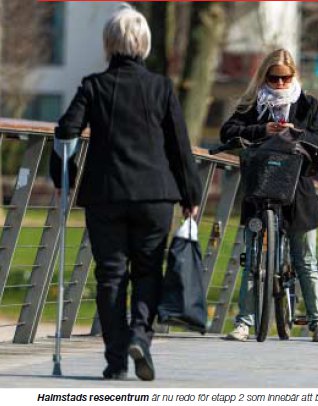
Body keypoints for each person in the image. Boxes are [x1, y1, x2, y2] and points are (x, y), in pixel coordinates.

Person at [50, 6, 202, 381]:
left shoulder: (93, 86)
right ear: (144, 43)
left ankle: (115, 360)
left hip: (106, 194)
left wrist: (63, 176)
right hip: (155, 194)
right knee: (148, 270)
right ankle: (140, 337)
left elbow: (66, 130)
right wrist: (191, 194)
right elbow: (179, 146)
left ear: (109, 43)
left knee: (110, 275)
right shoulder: (161, 87)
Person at [221, 49, 318, 343]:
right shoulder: (252, 103)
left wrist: (296, 133)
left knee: (305, 258)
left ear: (294, 75)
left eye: (286, 77)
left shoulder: (307, 103)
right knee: (253, 259)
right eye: (273, 78)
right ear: (264, 76)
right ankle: (244, 322)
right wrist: (263, 129)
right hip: (260, 186)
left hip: (298, 188)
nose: (280, 83)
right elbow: (228, 131)